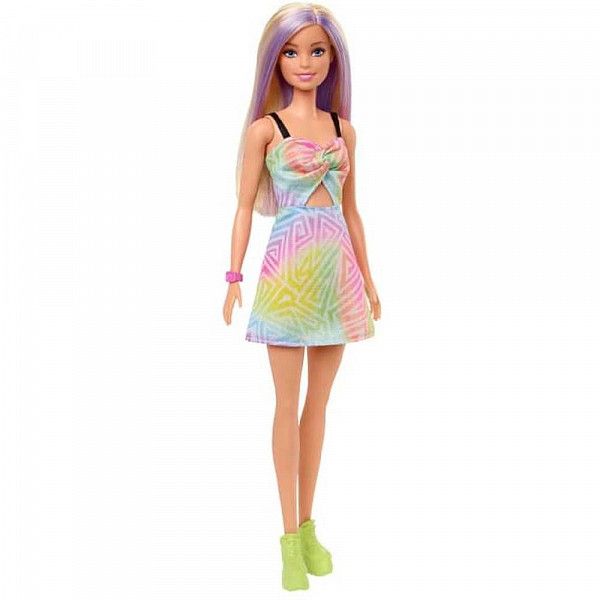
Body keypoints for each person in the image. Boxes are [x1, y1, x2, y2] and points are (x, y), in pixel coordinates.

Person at [222, 2, 382, 590]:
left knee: (319, 406)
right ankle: (288, 537)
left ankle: (310, 527)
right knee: (286, 404)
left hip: (337, 275)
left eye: (316, 51)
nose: (305, 62)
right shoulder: (265, 130)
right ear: (275, 59)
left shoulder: (344, 130)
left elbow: (351, 211)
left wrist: (369, 279)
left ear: (333, 57)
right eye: (291, 52)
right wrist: (233, 277)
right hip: (287, 272)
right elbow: (244, 206)